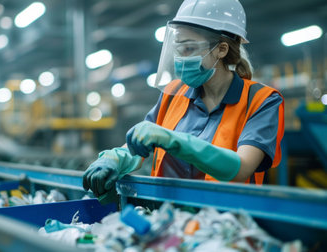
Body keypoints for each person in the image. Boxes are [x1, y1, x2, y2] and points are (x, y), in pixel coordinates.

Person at [82, 0, 284, 201]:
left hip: (225, 222)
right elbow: (141, 144)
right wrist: (114, 159)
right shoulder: (173, 93)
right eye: (178, 48)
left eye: (189, 48)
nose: (180, 57)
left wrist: (173, 140)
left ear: (221, 49)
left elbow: (242, 168)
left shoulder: (261, 101)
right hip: (168, 219)